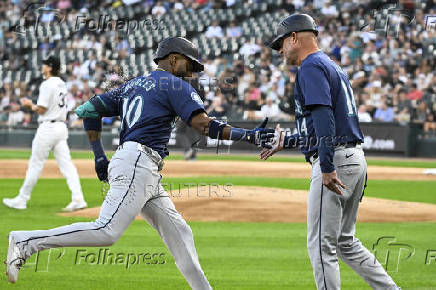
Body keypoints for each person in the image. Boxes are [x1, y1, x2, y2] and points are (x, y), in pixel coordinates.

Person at [5, 37, 274, 287]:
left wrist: (99, 156)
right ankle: (26, 242)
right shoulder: (173, 84)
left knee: (180, 234)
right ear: (172, 58)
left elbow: (87, 110)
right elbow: (204, 125)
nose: (191, 71)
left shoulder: (133, 85)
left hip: (142, 167)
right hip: (138, 163)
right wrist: (249, 135)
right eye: (189, 63)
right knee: (106, 231)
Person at [262, 14, 400, 290]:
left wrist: (326, 166)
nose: (279, 51)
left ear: (294, 37)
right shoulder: (331, 65)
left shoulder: (310, 66)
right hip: (354, 158)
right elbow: (324, 123)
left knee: (322, 247)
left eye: (281, 43)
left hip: (334, 159)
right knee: (345, 242)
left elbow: (325, 119)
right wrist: (287, 142)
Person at [2, 56, 87, 212]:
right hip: (61, 127)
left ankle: (22, 199)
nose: (42, 66)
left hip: (48, 127)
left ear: (49, 67)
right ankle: (78, 198)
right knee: (67, 165)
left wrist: (29, 105)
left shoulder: (47, 84)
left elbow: (41, 109)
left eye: (44, 64)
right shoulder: (62, 84)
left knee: (35, 165)